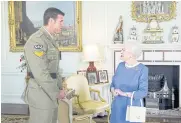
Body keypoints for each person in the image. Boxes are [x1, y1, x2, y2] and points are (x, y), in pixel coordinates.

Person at [23, 7, 66, 123]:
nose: (62, 24)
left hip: (49, 94)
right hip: (41, 94)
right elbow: (40, 73)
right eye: (60, 21)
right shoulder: (37, 41)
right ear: (51, 21)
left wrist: (60, 88)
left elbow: (54, 70)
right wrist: (56, 92)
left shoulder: (50, 40)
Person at [110, 41, 148, 123]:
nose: (121, 52)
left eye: (123, 50)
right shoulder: (120, 66)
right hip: (117, 106)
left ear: (131, 54)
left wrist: (123, 93)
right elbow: (113, 83)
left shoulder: (142, 69)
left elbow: (143, 92)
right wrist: (113, 91)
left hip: (133, 106)